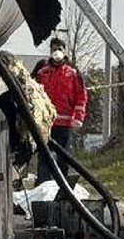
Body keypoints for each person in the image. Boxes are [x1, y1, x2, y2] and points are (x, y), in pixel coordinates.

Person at [32, 37, 88, 182]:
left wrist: (78, 116)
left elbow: (81, 96)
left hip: (65, 124)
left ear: (64, 51)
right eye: (54, 49)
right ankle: (43, 186)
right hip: (46, 124)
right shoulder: (42, 73)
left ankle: (62, 187)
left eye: (59, 49)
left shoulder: (73, 73)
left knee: (63, 158)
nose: (57, 52)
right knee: (45, 157)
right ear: (50, 52)